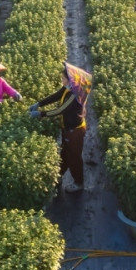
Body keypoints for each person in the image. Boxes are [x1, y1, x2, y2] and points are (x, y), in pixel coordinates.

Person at [30, 62, 92, 193]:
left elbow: (60, 110)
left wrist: (41, 113)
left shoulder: (74, 95)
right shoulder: (69, 88)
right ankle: (57, 178)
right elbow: (56, 96)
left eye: (63, 78)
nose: (62, 80)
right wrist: (39, 103)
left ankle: (78, 183)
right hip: (67, 128)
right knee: (64, 154)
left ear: (70, 80)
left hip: (74, 131)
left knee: (74, 157)